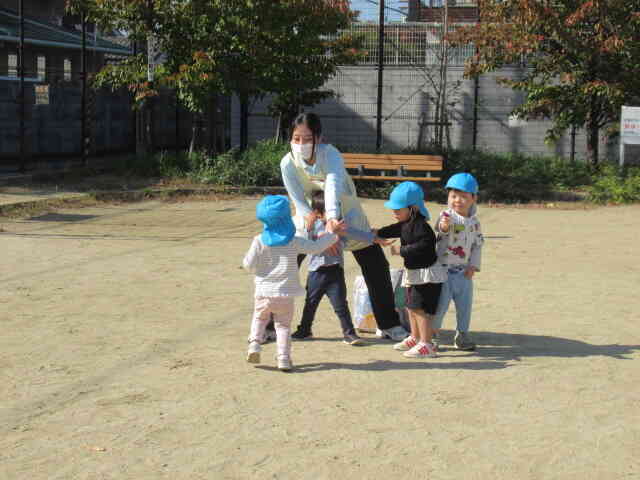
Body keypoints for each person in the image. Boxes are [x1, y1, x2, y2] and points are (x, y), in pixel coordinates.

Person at [280, 112, 409, 341]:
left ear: (319, 137)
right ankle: (272, 324)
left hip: (345, 212)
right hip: (311, 216)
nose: (301, 144)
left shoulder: (331, 155)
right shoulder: (287, 163)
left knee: (376, 264)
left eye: (307, 138)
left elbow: (333, 185)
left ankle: (389, 323)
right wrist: (317, 227)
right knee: (288, 260)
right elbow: (296, 196)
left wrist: (331, 221)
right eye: (296, 138)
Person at [242, 195, 341, 371]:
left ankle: (254, 345)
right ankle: (284, 358)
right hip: (286, 293)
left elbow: (248, 264)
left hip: (263, 291)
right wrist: (332, 234)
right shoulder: (293, 241)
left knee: (259, 318)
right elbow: (315, 247)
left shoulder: (258, 240)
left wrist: (258, 266)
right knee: (283, 326)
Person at [291, 190, 393, 345]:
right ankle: (304, 330)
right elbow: (305, 242)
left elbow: (357, 234)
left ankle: (349, 333)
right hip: (316, 273)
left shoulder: (340, 226)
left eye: (337, 211)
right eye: (329, 212)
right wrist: (313, 228)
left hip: (335, 272)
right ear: (318, 214)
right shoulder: (313, 226)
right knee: (310, 303)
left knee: (341, 305)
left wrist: (375, 239)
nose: (335, 216)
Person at [375, 182, 444, 358]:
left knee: (420, 309)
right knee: (410, 307)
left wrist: (401, 250)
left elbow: (425, 245)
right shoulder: (406, 222)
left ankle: (426, 344)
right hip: (414, 273)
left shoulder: (421, 226)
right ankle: (415, 337)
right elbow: (394, 229)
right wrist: (377, 233)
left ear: (413, 208)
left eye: (398, 209)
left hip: (426, 275)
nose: (394, 212)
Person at [432, 173, 484, 351]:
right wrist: (444, 227)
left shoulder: (475, 222)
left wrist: (473, 266)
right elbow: (440, 229)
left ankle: (462, 335)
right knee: (440, 306)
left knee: (465, 307)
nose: (457, 200)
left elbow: (478, 245)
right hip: (444, 272)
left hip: (464, 273)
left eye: (463, 196)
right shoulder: (446, 215)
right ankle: (432, 335)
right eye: (453, 196)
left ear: (473, 198)